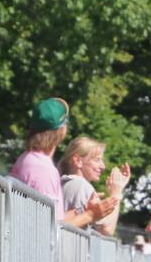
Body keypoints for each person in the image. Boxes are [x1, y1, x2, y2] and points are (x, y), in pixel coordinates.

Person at [10, 98, 116, 228]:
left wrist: (83, 210)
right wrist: (90, 215)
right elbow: (50, 228)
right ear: (62, 131)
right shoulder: (44, 170)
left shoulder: (27, 158)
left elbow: (54, 219)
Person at [59, 135, 130, 237]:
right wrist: (116, 193)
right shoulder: (81, 185)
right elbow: (106, 230)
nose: (103, 166)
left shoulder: (65, 183)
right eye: (97, 160)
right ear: (77, 161)